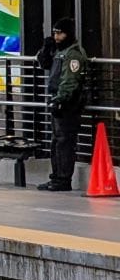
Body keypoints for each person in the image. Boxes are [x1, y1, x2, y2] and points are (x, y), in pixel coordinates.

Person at [36, 17, 89, 192]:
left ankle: (63, 178)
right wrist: (46, 49)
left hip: (68, 104)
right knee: (56, 142)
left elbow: (70, 80)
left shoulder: (73, 54)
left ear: (69, 34)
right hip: (56, 100)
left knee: (64, 141)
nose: (57, 37)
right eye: (55, 33)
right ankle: (56, 176)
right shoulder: (59, 52)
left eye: (60, 33)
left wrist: (60, 100)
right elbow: (44, 64)